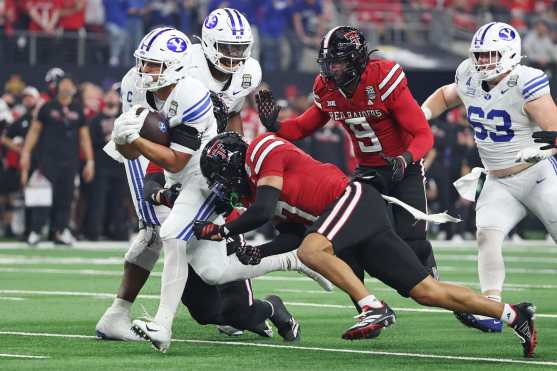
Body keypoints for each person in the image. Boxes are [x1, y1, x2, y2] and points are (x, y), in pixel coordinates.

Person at [194, 131, 538, 357]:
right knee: (427, 291)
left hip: (353, 198)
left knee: (312, 251)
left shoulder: (263, 150)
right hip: (351, 218)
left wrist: (222, 232)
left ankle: (372, 307)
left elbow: (265, 211)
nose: (224, 185)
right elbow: (291, 232)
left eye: (221, 175)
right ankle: (513, 314)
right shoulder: (258, 190)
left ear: (234, 162)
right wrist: (261, 251)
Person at [98, 26, 328, 353]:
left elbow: (177, 160)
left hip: (201, 169)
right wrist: (133, 152)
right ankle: (292, 259)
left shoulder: (190, 95)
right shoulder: (139, 85)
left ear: (176, 68)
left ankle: (160, 323)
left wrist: (134, 138)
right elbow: (144, 163)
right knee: (209, 277)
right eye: (144, 63)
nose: (143, 71)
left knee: (170, 236)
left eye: (153, 65)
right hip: (174, 160)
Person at [255, 26, 437, 279]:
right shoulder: (326, 88)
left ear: (357, 60)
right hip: (367, 173)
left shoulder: (382, 78)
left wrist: (405, 158)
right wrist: (275, 126)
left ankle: (429, 268)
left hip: (402, 168)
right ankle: (367, 304)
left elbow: (423, 134)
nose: (332, 70)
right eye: (328, 63)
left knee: (411, 242)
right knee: (353, 239)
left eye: (338, 63)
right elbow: (302, 127)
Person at [421, 22, 557, 333]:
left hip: (537, 176)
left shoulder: (527, 81)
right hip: (498, 179)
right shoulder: (468, 74)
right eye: (479, 55)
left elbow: (556, 133)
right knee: (487, 236)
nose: (483, 61)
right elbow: (445, 95)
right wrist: (423, 115)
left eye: (490, 54)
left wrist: (542, 152)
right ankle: (493, 306)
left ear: (510, 54)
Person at [20, 76, 95, 246]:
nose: (67, 87)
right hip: (48, 160)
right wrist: (25, 152)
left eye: (70, 84)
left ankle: (61, 230)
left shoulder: (78, 108)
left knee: (66, 197)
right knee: (42, 196)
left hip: (70, 160)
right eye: (64, 84)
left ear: (74, 88)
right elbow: (34, 131)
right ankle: (36, 230)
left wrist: (90, 161)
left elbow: (84, 137)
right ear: (58, 87)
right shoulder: (47, 107)